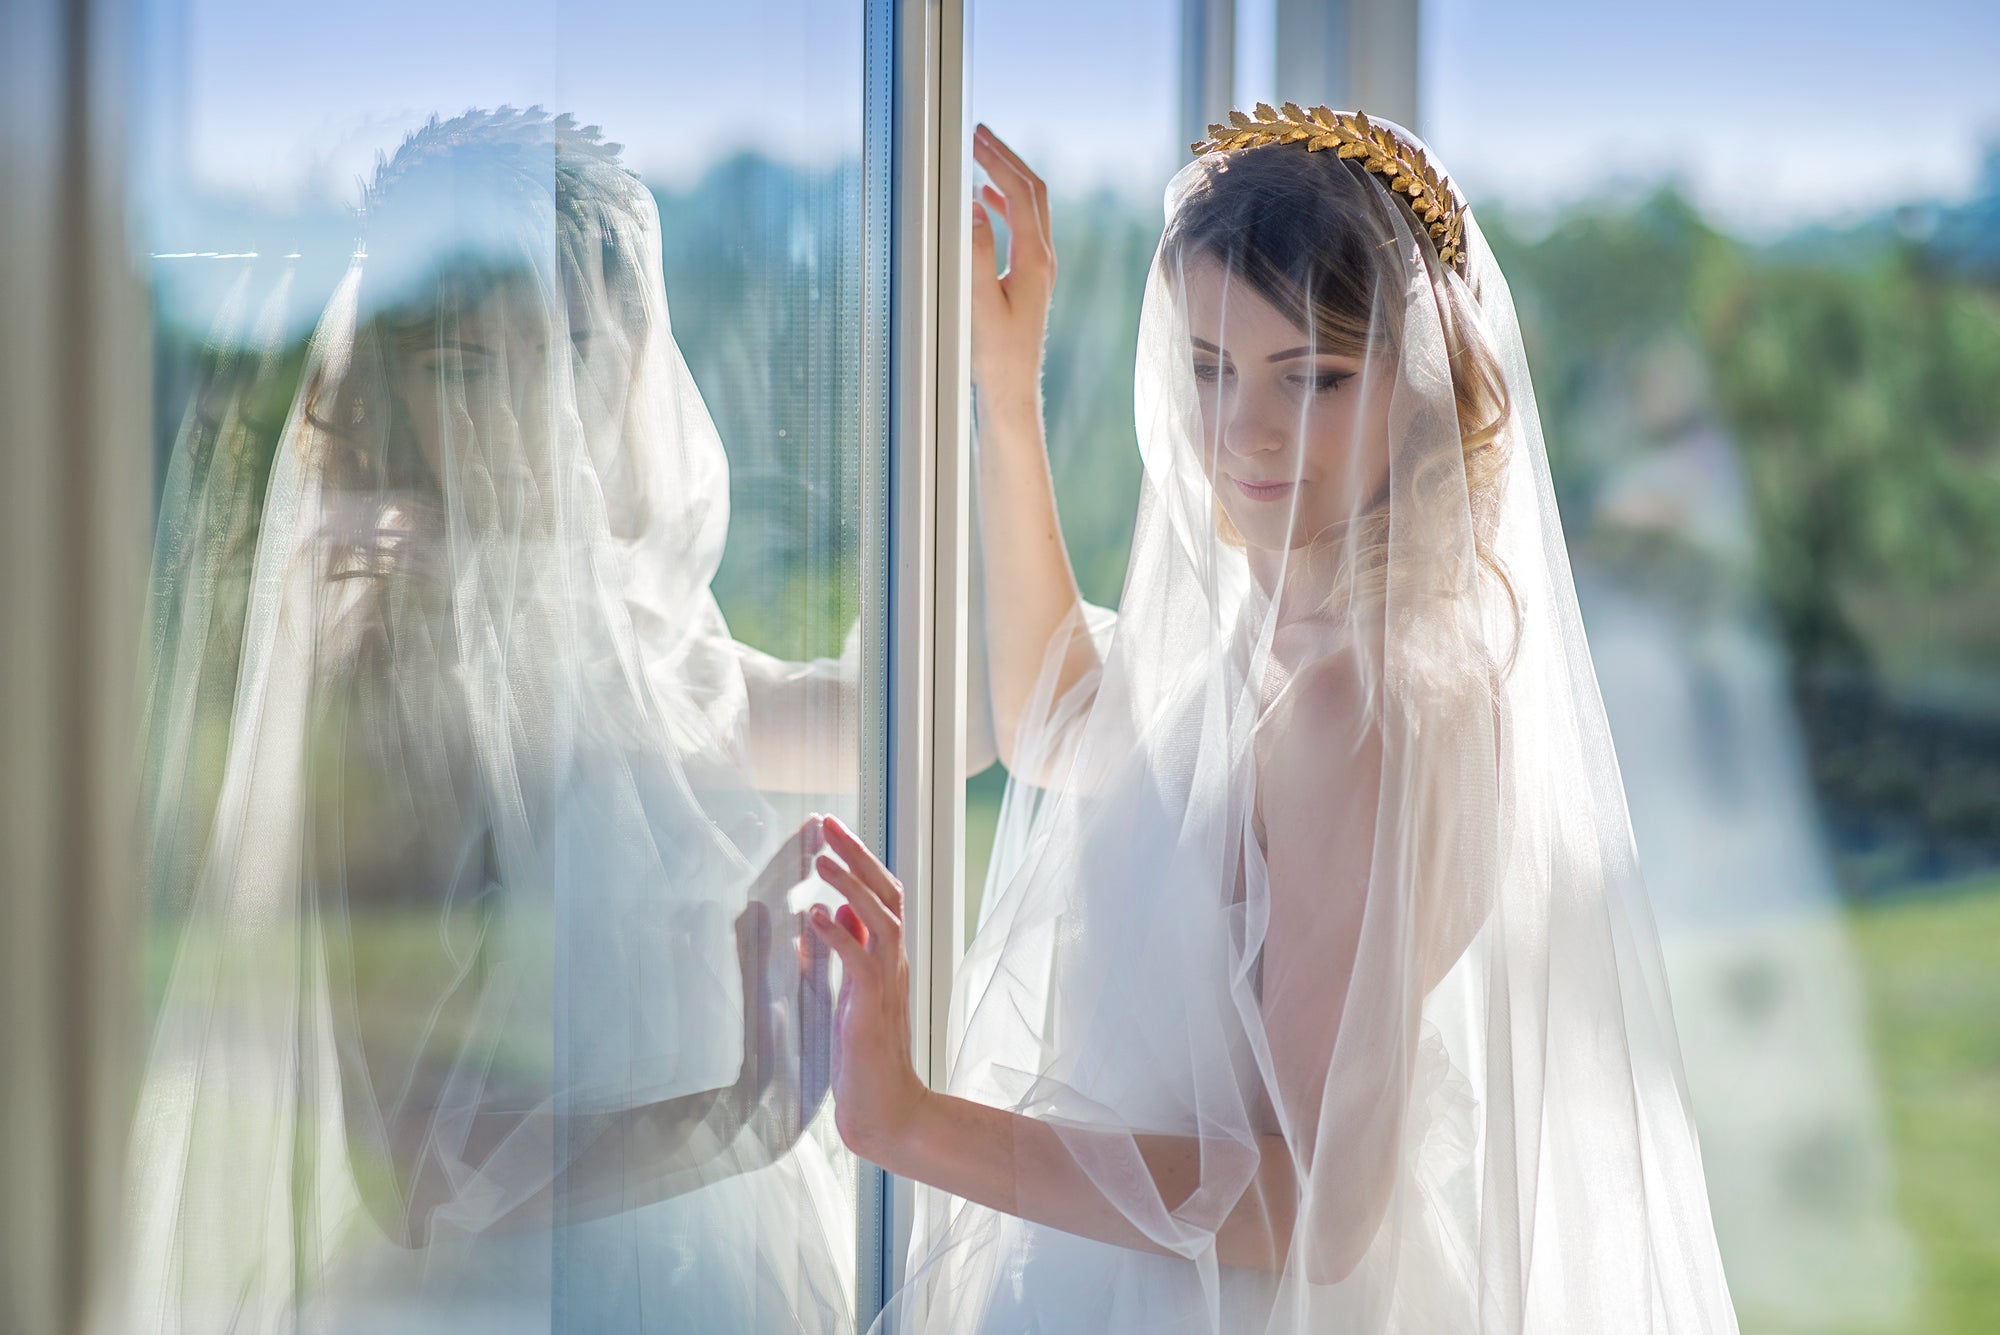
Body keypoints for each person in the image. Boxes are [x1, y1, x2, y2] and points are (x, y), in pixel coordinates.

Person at [809, 109, 1743, 1332]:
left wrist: (911, 1125)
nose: (1243, 430)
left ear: (1419, 386)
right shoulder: (1265, 642)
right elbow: (1054, 721)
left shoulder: (1360, 701)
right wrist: (1003, 387)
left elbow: (1316, 1210)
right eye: (1207, 366)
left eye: (1309, 376)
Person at [113, 109, 851, 1332]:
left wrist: (988, 397)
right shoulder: (389, 670)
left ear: (631, 357)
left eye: (562, 350)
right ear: (389, 376)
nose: (523, 410)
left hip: (729, 1270)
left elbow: (894, 721)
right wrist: (734, 1119)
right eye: (462, 361)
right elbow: (414, 1172)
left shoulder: (631, 630)